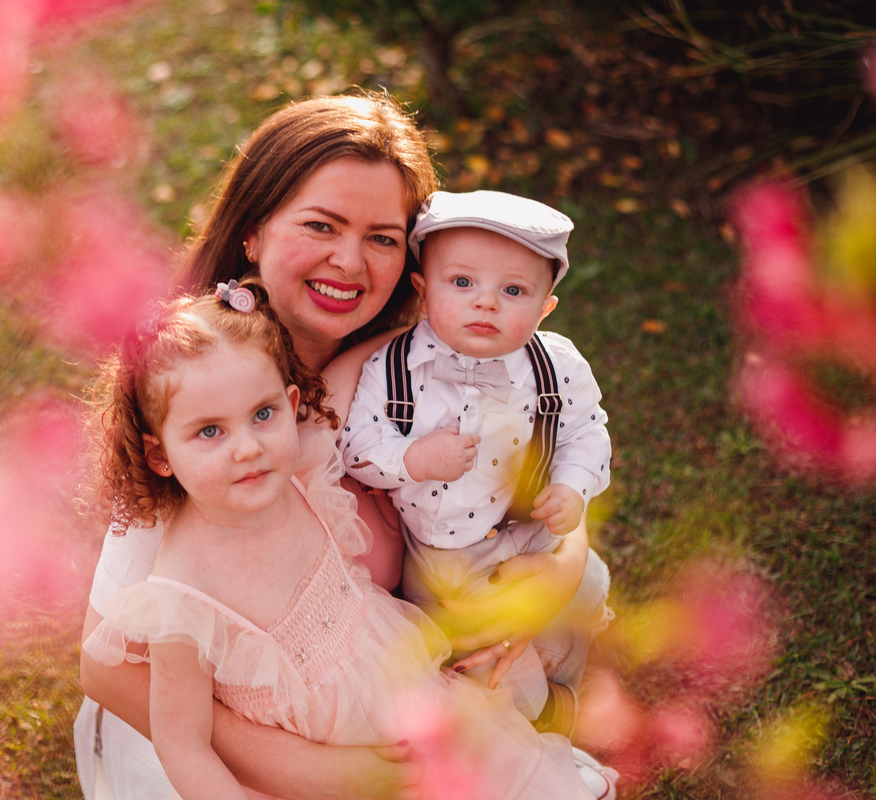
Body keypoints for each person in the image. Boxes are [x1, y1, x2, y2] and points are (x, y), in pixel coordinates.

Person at [76, 92, 608, 800]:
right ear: (254, 231)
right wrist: (312, 772)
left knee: (579, 582)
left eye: (383, 238)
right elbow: (105, 668)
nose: (349, 261)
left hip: (378, 650)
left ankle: (530, 720)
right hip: (245, 726)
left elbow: (532, 473)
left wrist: (555, 574)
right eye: (321, 225)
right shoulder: (203, 401)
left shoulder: (425, 351)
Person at [339, 191, 612, 735]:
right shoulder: (390, 370)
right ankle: (546, 724)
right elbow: (355, 444)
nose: (485, 302)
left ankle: (569, 673)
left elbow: (588, 430)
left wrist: (573, 485)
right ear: (422, 291)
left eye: (513, 291)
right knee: (477, 662)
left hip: (530, 532)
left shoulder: (556, 367)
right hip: (441, 559)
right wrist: (412, 458)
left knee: (563, 624)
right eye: (462, 283)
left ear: (544, 308)